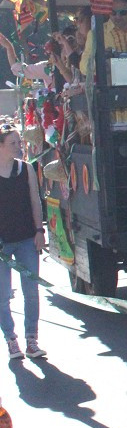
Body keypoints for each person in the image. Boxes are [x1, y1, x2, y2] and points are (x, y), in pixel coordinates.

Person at [0, 123, 46, 359]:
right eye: (13, 144)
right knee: (3, 294)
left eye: (20, 142)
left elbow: (35, 201)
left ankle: (32, 339)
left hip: (27, 238)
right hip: (2, 244)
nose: (19, 147)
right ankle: (11, 339)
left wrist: (39, 230)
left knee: (31, 291)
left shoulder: (25, 169)